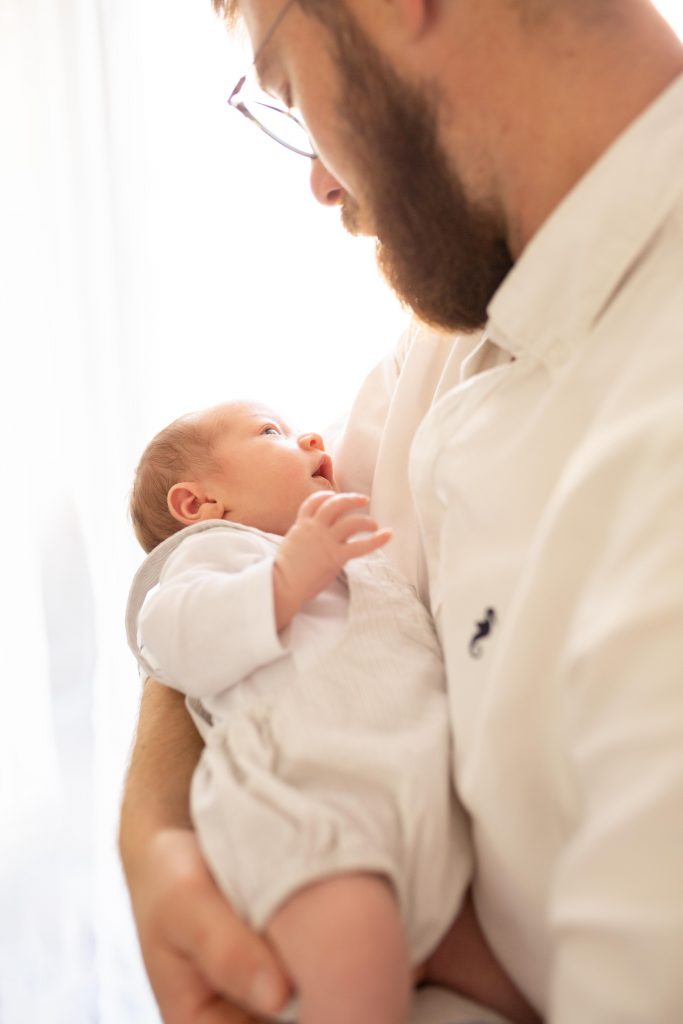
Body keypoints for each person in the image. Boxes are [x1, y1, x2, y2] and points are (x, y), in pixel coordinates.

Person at [119, 2, 683, 1023]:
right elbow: (229, 550)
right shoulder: (458, 320)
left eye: (289, 92)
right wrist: (153, 823)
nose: (320, 182)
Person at [124, 399, 481, 1024]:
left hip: (420, 815)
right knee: (361, 991)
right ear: (199, 505)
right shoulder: (215, 555)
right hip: (314, 819)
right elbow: (174, 638)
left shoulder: (346, 556)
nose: (310, 436)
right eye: (272, 431)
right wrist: (287, 578)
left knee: (516, 980)